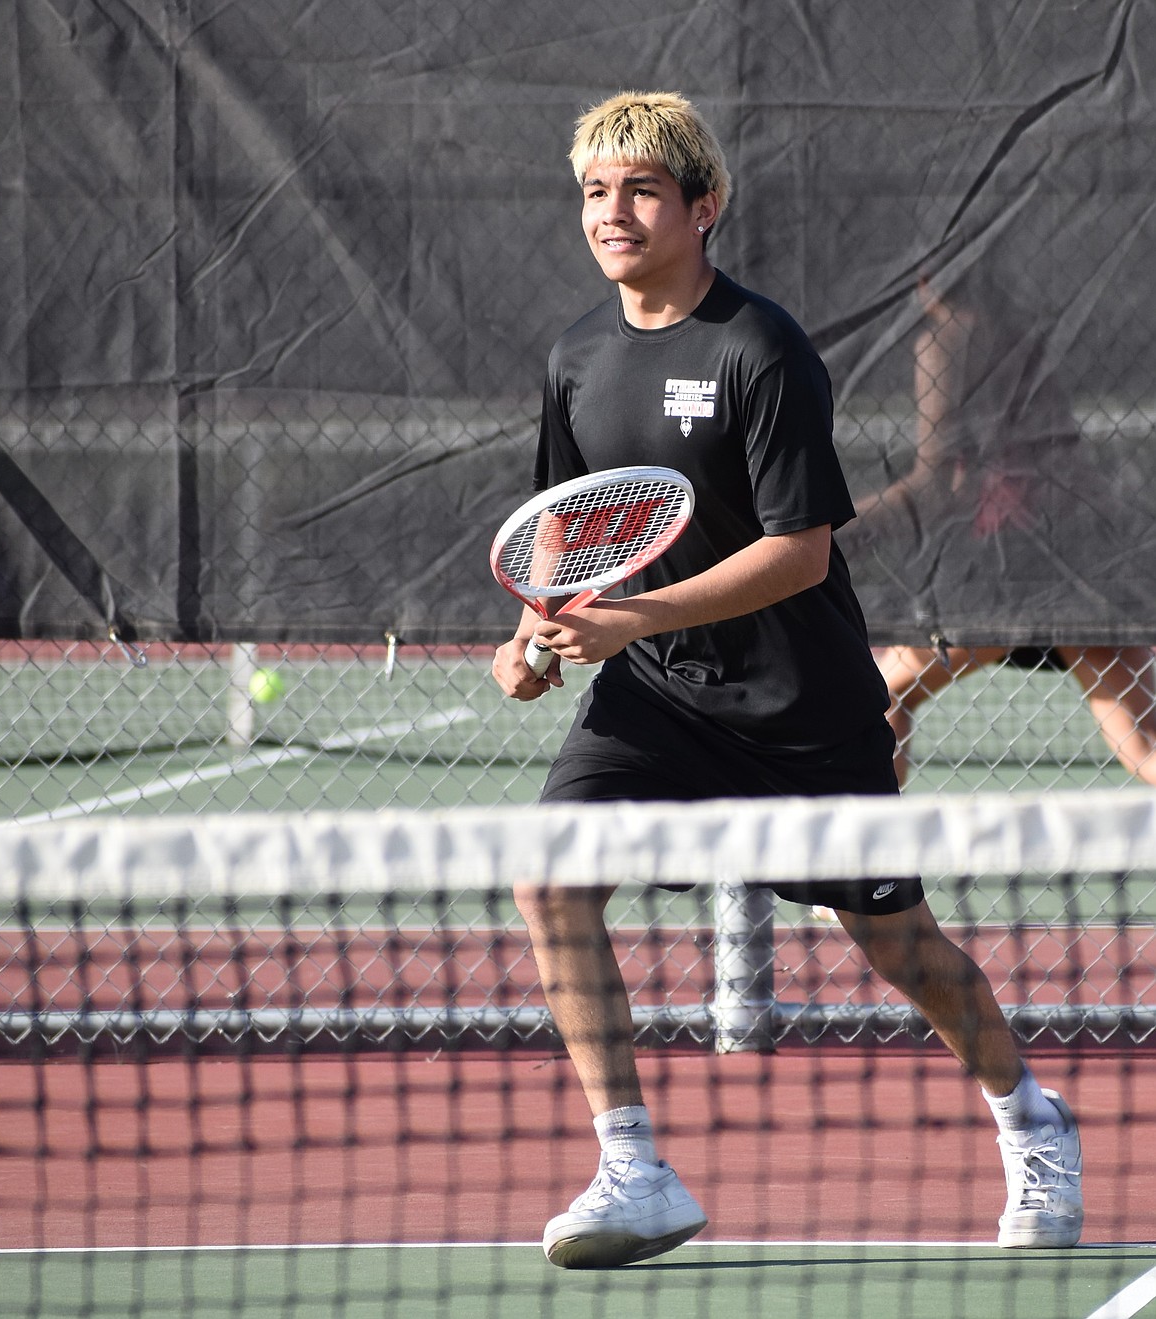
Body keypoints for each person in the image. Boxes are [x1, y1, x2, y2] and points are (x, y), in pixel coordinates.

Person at [492, 91, 1082, 1270]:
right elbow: (569, 533)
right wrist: (531, 632)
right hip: (654, 695)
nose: (613, 211)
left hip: (801, 706)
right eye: (596, 191)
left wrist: (639, 613)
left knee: (898, 942)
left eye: (642, 189)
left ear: (702, 207)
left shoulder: (760, 349)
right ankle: (633, 1165)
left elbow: (800, 546)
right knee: (549, 880)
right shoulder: (574, 357)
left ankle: (1032, 1118)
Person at [861, 272, 1156, 787]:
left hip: (1004, 564)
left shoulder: (942, 339)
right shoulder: (1024, 334)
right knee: (1142, 740)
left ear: (929, 276)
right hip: (1078, 553)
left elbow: (932, 488)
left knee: (880, 699)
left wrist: (834, 524)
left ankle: (878, 864)